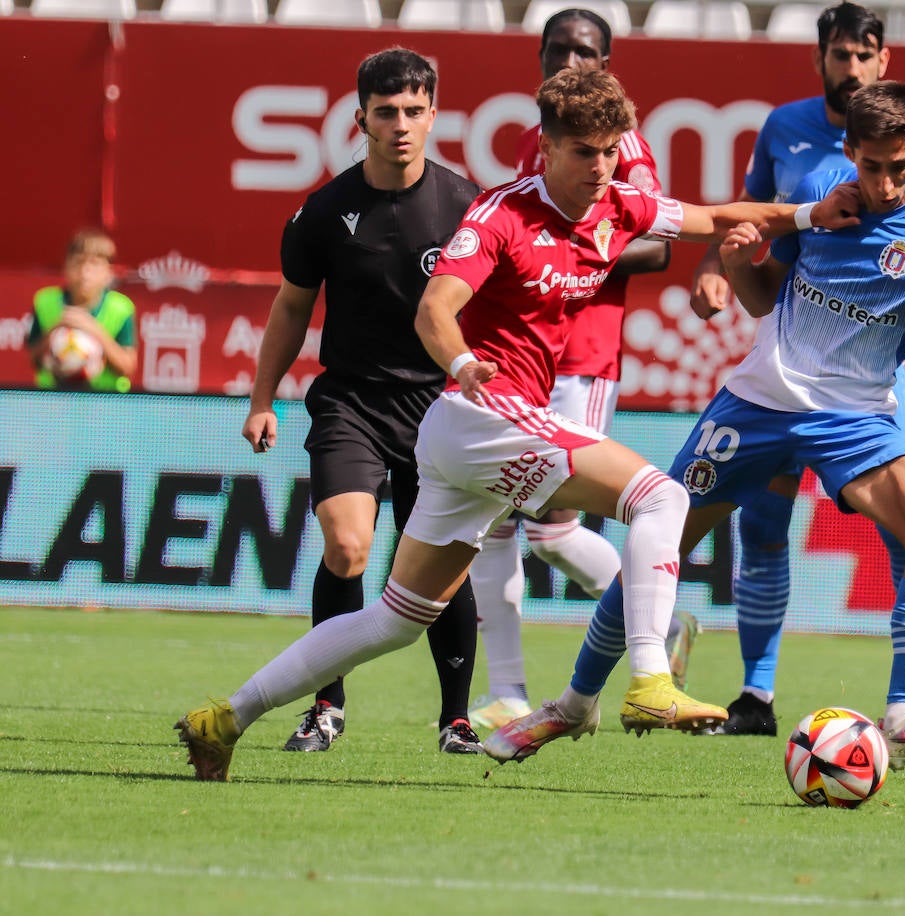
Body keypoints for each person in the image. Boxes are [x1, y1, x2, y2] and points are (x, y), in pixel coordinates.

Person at [174, 68, 860, 781]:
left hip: (470, 435)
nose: (601, 168)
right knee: (662, 497)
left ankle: (224, 718)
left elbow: (714, 218)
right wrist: (464, 360)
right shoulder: (500, 214)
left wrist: (813, 214)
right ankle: (650, 678)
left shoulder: (619, 205)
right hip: (481, 414)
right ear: (548, 151)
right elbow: (434, 307)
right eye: (584, 153)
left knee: (395, 620)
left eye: (611, 152)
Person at [491, 80, 905, 770]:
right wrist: (735, 262)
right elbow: (761, 299)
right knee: (654, 545)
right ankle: (573, 705)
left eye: (900, 169)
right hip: (759, 404)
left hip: (855, 417)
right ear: (850, 153)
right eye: (871, 167)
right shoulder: (823, 197)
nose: (884, 185)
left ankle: (904, 712)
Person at [688, 1, 905, 738]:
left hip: (865, 387)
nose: (851, 67)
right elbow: (749, 216)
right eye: (840, 54)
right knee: (760, 522)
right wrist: (714, 265)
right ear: (820, 58)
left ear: (883, 61)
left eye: (864, 55)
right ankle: (756, 694)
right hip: (790, 364)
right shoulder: (784, 130)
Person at [239, 48, 486, 756]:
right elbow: (290, 309)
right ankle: (325, 705)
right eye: (386, 112)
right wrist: (263, 397)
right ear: (361, 119)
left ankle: (456, 721)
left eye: (414, 111)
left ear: (434, 116)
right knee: (347, 548)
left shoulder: (469, 208)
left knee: (443, 572)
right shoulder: (323, 211)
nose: (401, 124)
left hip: (441, 414)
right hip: (350, 404)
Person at [466, 8, 696, 733]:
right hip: (519, 358)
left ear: (609, 59)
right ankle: (508, 689)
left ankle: (655, 624)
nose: (572, 60)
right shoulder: (539, 139)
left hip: (584, 352)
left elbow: (657, 243)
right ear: (538, 55)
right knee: (502, 522)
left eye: (587, 51)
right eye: (560, 48)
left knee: (550, 521)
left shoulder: (618, 142)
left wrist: (575, 246)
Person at [28, 229, 138, 393]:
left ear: (108, 272)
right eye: (78, 262)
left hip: (106, 402)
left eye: (94, 264)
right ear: (66, 267)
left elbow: (127, 366)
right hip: (53, 400)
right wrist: (57, 328)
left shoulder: (121, 308)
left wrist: (93, 329)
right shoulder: (45, 302)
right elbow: (33, 359)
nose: (85, 272)